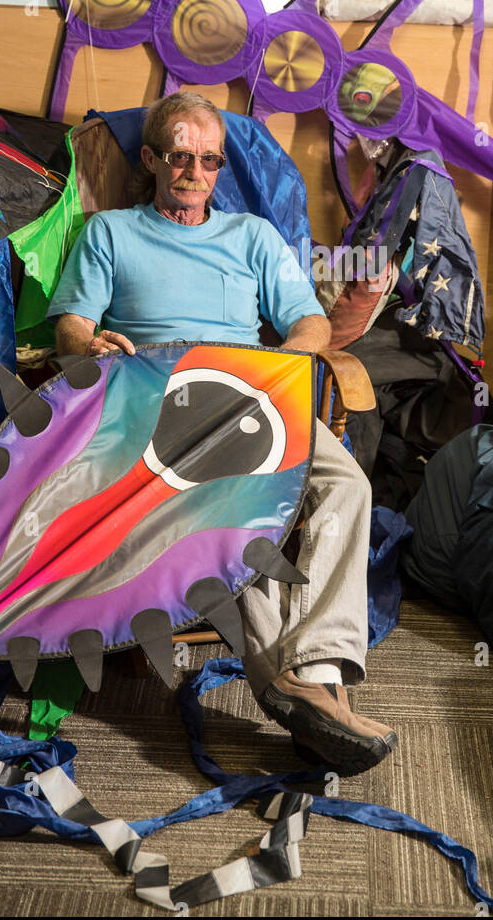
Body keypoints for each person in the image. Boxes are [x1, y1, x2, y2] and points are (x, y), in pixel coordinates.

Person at [49, 92, 397, 776]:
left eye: (209, 161)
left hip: (251, 395)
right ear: (151, 160)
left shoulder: (252, 238)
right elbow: (71, 327)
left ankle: (312, 670)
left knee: (346, 484)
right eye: (180, 157)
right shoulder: (111, 233)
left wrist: (286, 360)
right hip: (158, 403)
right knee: (236, 515)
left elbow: (309, 323)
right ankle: (310, 696)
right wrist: (90, 349)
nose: (195, 172)